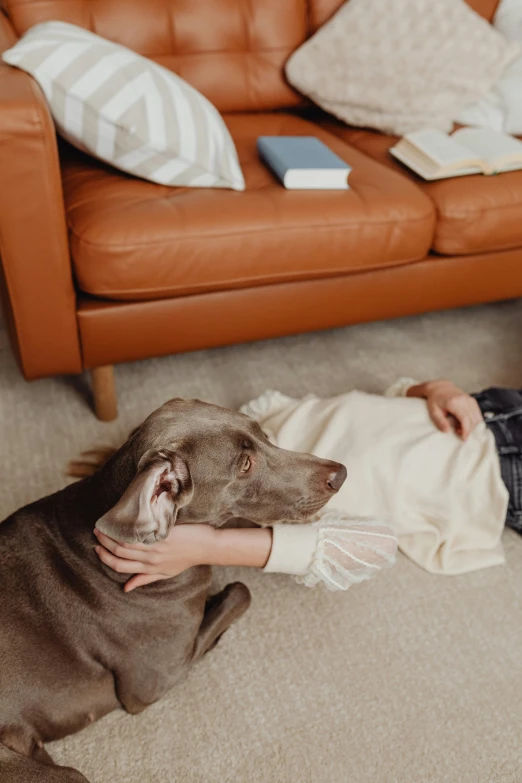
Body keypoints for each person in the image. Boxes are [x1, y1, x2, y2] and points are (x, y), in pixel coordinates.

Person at [94, 379, 522, 592]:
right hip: (498, 476)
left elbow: (383, 401)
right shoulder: (296, 507)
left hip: (484, 406)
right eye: (244, 466)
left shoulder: (258, 416)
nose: (328, 469)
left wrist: (435, 388)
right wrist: (207, 545)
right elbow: (374, 546)